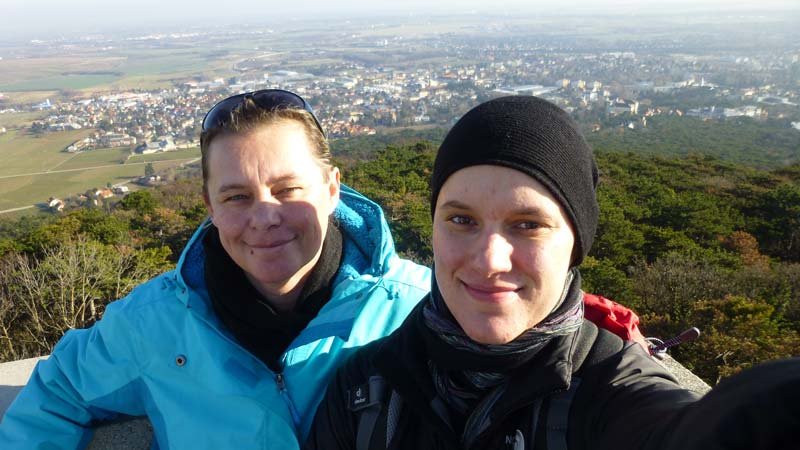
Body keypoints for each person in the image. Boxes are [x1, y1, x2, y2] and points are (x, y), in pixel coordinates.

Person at [304, 95, 799, 450]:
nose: (489, 259)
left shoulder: (610, 390)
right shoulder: (365, 388)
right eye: (461, 220)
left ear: (575, 245)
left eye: (528, 225)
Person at [0, 89, 431, 449]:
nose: (264, 217)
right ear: (210, 208)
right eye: (237, 197)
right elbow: (58, 391)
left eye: (287, 189)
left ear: (332, 188)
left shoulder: (420, 310)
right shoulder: (156, 323)